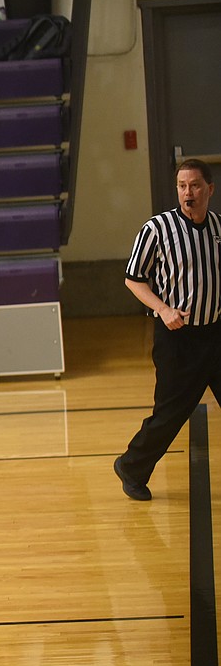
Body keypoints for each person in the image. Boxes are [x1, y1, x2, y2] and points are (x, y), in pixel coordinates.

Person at [114, 158, 221, 502]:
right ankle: (132, 467)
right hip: (179, 339)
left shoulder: (219, 228)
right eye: (182, 186)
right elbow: (133, 279)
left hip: (216, 333)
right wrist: (162, 309)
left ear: (210, 189)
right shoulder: (157, 229)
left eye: (194, 186)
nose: (187, 193)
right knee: (170, 415)